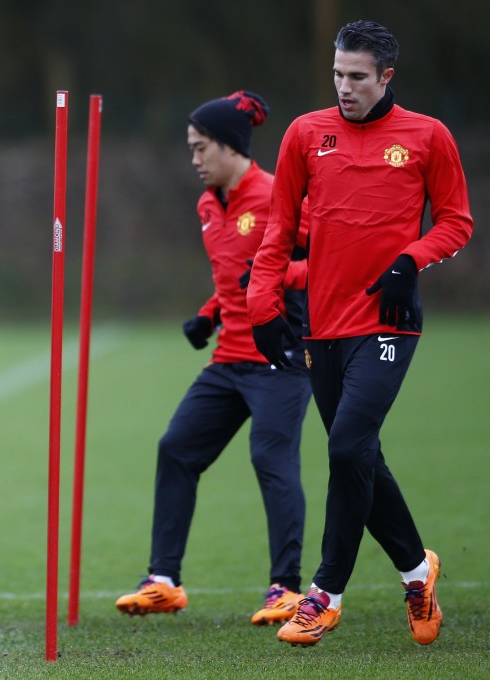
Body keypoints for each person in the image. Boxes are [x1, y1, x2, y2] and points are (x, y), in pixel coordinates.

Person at [247, 20, 473, 647]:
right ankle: (415, 570)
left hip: (389, 322)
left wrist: (411, 260)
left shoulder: (429, 136)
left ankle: (323, 594)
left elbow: (457, 222)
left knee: (347, 448)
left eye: (357, 77)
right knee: (362, 456)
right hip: (324, 327)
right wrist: (262, 306)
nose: (345, 87)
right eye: (338, 75)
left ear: (386, 77)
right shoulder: (304, 134)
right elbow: (277, 231)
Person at [114, 92, 312, 626]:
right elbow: (232, 278)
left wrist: (274, 278)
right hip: (229, 360)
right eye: (191, 149)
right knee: (176, 449)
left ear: (230, 147)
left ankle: (288, 589)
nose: (195, 159)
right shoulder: (208, 203)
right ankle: (163, 581)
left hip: (282, 355)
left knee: (270, 459)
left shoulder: (277, 195)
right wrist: (209, 314)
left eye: (201, 148)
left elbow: (322, 263)